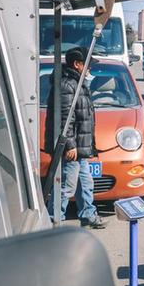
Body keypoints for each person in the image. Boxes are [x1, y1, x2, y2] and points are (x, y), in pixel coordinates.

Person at [44, 47, 105, 229]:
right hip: (72, 147)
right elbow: (64, 118)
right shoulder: (67, 85)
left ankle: (88, 215)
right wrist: (69, 144)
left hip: (80, 147)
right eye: (88, 66)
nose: (90, 71)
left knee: (85, 183)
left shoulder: (78, 84)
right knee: (67, 187)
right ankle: (54, 221)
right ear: (77, 64)